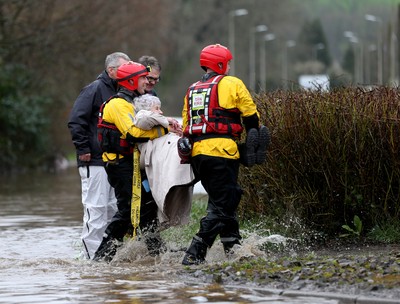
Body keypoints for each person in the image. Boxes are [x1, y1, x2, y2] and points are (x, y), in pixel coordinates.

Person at [181, 43, 270, 265]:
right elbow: (250, 114)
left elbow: (186, 124)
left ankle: (233, 248)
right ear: (220, 63)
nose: (229, 66)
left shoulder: (192, 89)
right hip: (222, 151)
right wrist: (252, 133)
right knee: (225, 201)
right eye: (228, 62)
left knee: (223, 199)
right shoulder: (232, 83)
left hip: (198, 154)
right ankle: (194, 253)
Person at [94, 62, 169, 262]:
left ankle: (156, 253)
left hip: (133, 164)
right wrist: (165, 129)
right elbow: (133, 133)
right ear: (131, 80)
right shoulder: (118, 104)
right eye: (144, 78)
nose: (148, 81)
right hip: (120, 166)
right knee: (127, 211)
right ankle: (101, 259)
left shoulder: (134, 103)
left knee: (148, 208)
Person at [67, 52, 131, 259]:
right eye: (123, 69)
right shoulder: (94, 89)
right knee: (95, 210)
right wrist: (83, 149)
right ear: (111, 70)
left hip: (113, 161)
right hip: (93, 160)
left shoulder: (123, 92)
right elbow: (76, 120)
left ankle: (108, 256)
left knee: (113, 210)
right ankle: (92, 261)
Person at [133, 94, 195, 229]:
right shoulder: (143, 117)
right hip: (157, 168)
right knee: (152, 210)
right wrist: (167, 121)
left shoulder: (158, 126)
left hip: (172, 167)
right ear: (147, 109)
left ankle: (158, 238)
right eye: (157, 108)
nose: (160, 112)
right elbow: (143, 118)